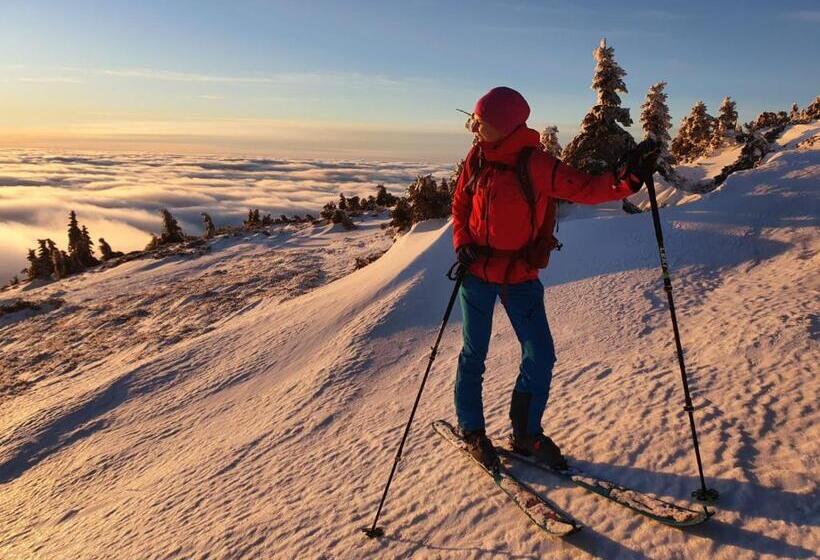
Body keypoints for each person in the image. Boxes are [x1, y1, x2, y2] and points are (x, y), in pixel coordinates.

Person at [451, 86, 658, 472]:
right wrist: (462, 240)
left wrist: (627, 182)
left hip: (520, 275)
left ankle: (526, 433)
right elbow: (460, 203)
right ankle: (472, 431)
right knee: (472, 354)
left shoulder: (537, 164)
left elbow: (585, 187)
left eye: (480, 122)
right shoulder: (477, 156)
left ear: (504, 125)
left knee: (540, 354)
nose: (474, 128)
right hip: (477, 273)